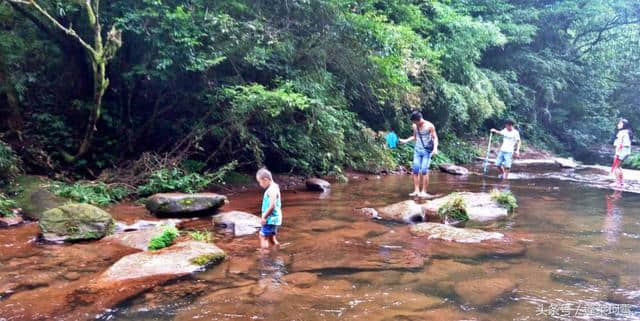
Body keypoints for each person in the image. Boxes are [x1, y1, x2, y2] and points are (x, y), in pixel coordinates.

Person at [399, 111, 439, 197]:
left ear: (418, 120)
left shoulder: (430, 126)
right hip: (417, 150)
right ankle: (416, 190)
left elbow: (435, 138)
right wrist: (405, 141)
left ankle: (424, 191)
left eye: (414, 121)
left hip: (426, 151)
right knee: (415, 170)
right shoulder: (415, 126)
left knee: (424, 170)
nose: (413, 123)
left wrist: (435, 148)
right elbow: (414, 137)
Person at [256, 168, 283, 249]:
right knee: (271, 238)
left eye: (260, 182)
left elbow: (272, 206)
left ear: (266, 179)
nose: (260, 184)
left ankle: (264, 257)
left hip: (270, 219)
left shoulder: (271, 190)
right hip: (274, 219)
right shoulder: (275, 187)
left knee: (262, 236)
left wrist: (264, 217)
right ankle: (277, 251)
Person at [611, 118, 633, 188]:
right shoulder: (628, 132)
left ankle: (617, 183)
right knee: (619, 167)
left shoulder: (621, 132)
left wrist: (617, 153)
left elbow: (619, 144)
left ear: (624, 125)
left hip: (621, 151)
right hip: (627, 152)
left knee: (616, 168)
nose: (618, 125)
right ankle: (621, 182)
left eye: (619, 123)